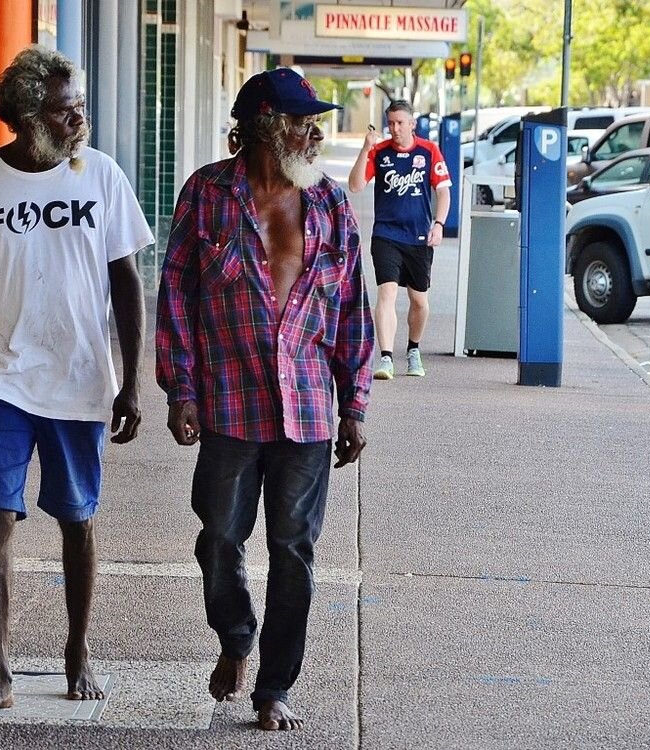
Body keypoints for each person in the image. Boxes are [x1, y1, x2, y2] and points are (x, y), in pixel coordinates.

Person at [0, 45, 151, 714]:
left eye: (80, 105)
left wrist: (132, 382)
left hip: (81, 377)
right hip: (3, 378)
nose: (78, 118)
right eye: (66, 109)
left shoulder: (103, 177)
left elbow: (126, 281)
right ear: (28, 116)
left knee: (76, 520)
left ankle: (77, 653)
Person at [155, 68, 373, 731]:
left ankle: (274, 685)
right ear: (263, 130)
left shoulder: (331, 203)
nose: (315, 133)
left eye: (316, 123)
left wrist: (354, 404)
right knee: (219, 537)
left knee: (294, 552)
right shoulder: (207, 194)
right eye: (303, 122)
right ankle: (236, 634)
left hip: (306, 408)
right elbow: (176, 295)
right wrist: (180, 388)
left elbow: (355, 311)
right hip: (228, 403)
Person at [348, 99, 451, 380]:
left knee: (419, 301)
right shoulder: (380, 152)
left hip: (418, 236)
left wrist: (438, 224)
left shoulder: (429, 151)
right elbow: (355, 185)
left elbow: (443, 192)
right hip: (386, 235)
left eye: (400, 123)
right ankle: (386, 357)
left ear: (412, 124)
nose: (394, 129)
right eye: (390, 123)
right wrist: (365, 148)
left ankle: (414, 350)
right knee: (387, 293)